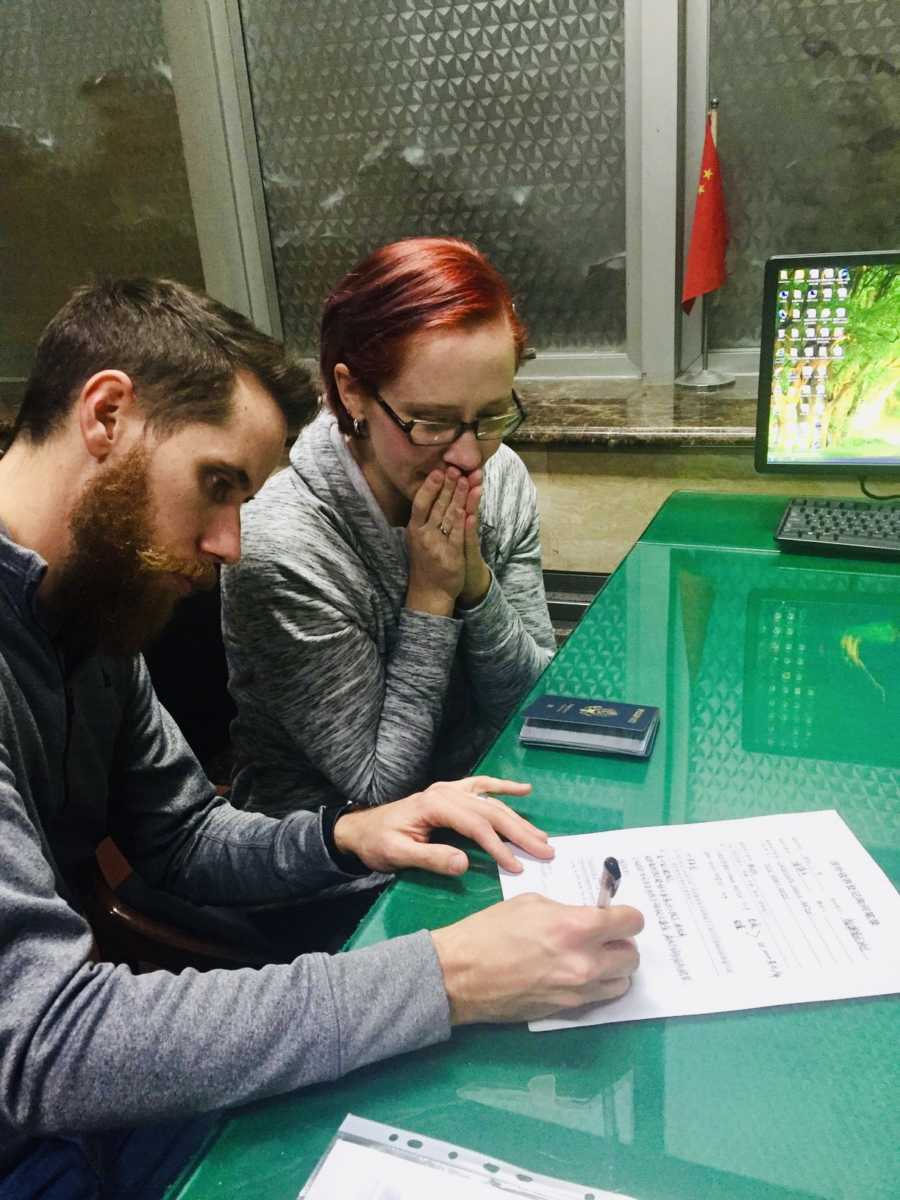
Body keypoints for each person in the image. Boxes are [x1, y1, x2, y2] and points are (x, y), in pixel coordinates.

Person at [0, 277, 642, 1191]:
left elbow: (180, 836)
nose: (230, 542)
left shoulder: (88, 602)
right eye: (217, 486)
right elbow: (42, 1043)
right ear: (106, 414)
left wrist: (344, 836)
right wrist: (444, 977)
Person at [221, 237, 557, 816]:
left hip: (479, 801)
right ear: (352, 391)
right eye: (431, 422)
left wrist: (474, 583)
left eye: (493, 417)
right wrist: (430, 595)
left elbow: (533, 707)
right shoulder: (283, 550)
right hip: (325, 851)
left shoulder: (501, 476)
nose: (470, 458)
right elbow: (379, 791)